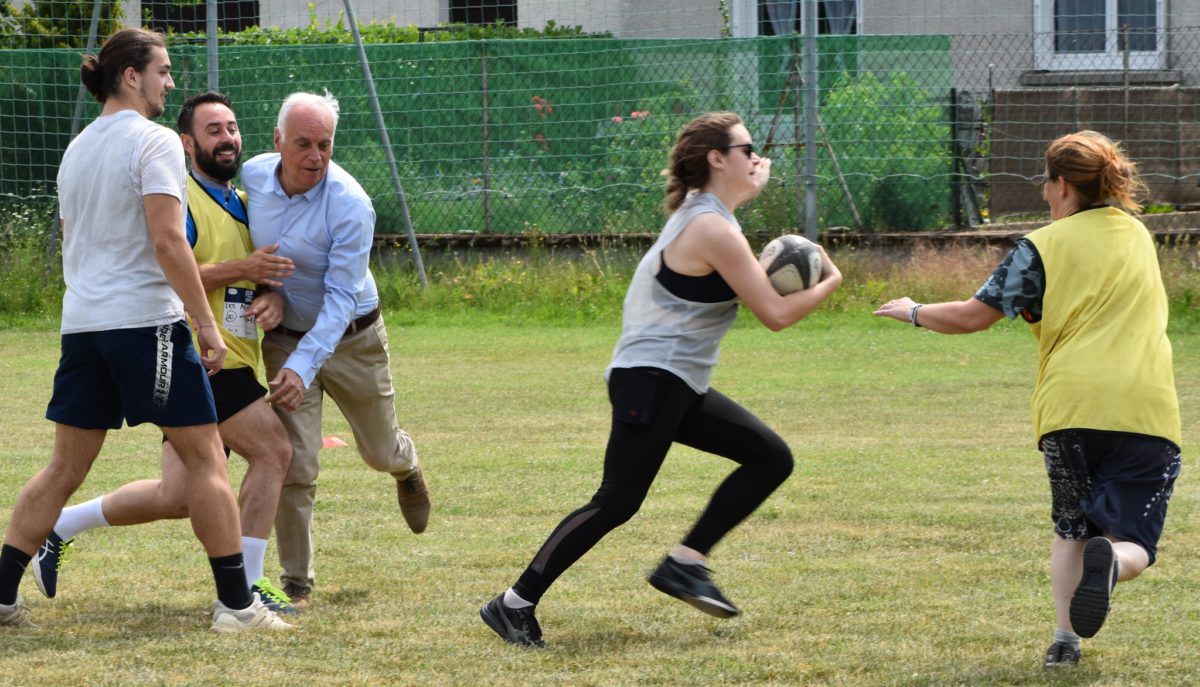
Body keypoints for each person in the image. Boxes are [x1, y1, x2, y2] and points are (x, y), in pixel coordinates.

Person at [479, 111, 843, 647]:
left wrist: (749, 189)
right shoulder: (711, 227)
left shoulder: (711, 214)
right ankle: (513, 604)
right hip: (652, 380)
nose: (758, 159)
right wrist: (832, 278)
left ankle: (685, 563)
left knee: (770, 457)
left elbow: (736, 231)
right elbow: (776, 313)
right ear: (718, 159)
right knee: (617, 500)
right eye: (747, 150)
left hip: (675, 383)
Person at [0, 29, 289, 632]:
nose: (170, 81)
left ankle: (2, 594)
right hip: (146, 326)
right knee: (207, 459)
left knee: (63, 469)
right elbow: (167, 240)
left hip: (83, 327)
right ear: (131, 76)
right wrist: (206, 323)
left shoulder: (77, 147)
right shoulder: (155, 140)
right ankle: (237, 607)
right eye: (162, 70)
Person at [873, 130, 1181, 668]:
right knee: (1131, 540)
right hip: (1144, 407)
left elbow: (974, 315)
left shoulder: (1040, 246)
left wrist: (914, 310)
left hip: (1067, 410)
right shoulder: (1139, 237)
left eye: (1046, 181)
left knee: (1072, 527)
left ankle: (1064, 642)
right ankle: (1115, 564)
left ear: (1061, 185)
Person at [240, 91, 432, 609]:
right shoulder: (253, 177)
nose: (315, 157)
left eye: (325, 144)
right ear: (278, 140)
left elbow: (341, 300)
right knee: (294, 461)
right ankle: (296, 580)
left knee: (377, 451)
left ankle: (406, 464)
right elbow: (242, 249)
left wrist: (305, 366)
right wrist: (267, 292)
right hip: (284, 341)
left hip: (353, 338)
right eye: (303, 143)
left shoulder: (350, 203)